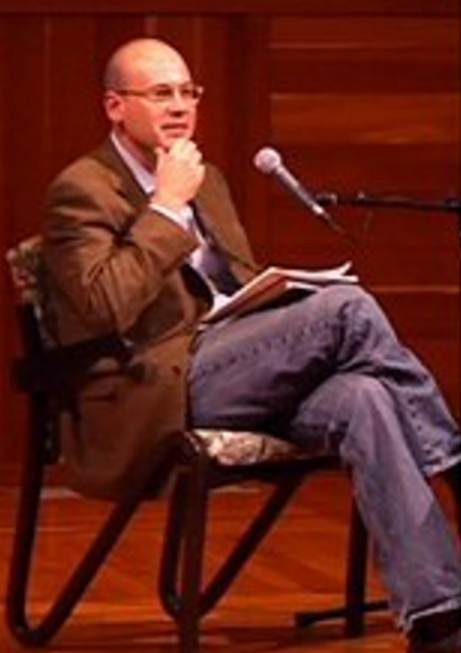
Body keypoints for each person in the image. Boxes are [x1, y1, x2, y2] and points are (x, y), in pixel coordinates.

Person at [41, 37, 460, 652]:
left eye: (188, 92)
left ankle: (437, 615)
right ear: (115, 106)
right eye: (160, 93)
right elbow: (104, 306)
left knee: (365, 396)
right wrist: (165, 207)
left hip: (236, 367)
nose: (179, 106)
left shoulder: (207, 179)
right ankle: (450, 461)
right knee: (348, 309)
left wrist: (277, 294)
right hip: (155, 388)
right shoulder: (82, 190)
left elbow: (233, 289)